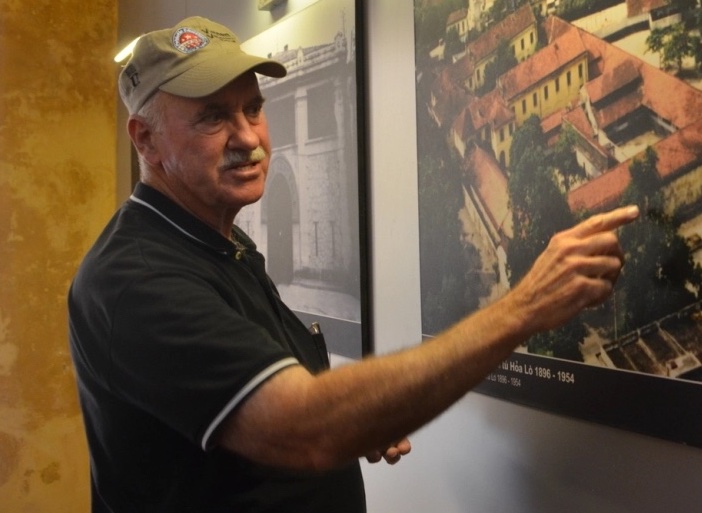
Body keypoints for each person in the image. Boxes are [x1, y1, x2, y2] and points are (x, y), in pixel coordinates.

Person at [68, 15, 640, 513]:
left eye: (253, 108)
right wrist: (524, 305)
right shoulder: (135, 280)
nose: (250, 138)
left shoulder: (218, 243)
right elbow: (305, 429)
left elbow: (278, 400)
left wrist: (358, 414)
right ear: (146, 140)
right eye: (213, 118)